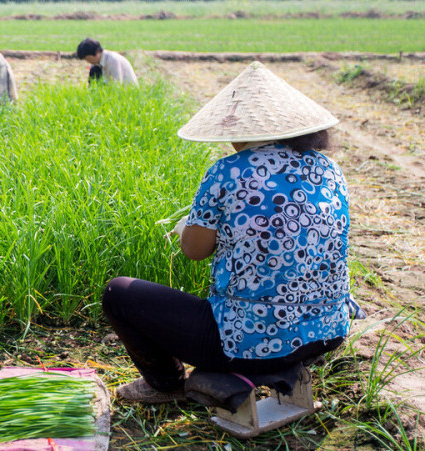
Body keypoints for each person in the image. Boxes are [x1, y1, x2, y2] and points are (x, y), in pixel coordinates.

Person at [100, 61, 361, 404]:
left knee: (119, 293)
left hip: (248, 342)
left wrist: (188, 228)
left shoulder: (227, 171)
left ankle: (167, 384)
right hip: (326, 333)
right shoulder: (329, 169)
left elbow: (194, 250)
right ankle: (273, 363)